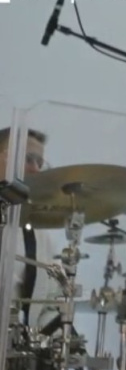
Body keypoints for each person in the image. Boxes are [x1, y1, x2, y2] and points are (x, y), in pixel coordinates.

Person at [0, 127, 60, 330]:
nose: (35, 169)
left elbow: (47, 307)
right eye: (28, 159)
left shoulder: (38, 233)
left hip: (14, 344)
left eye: (40, 163)